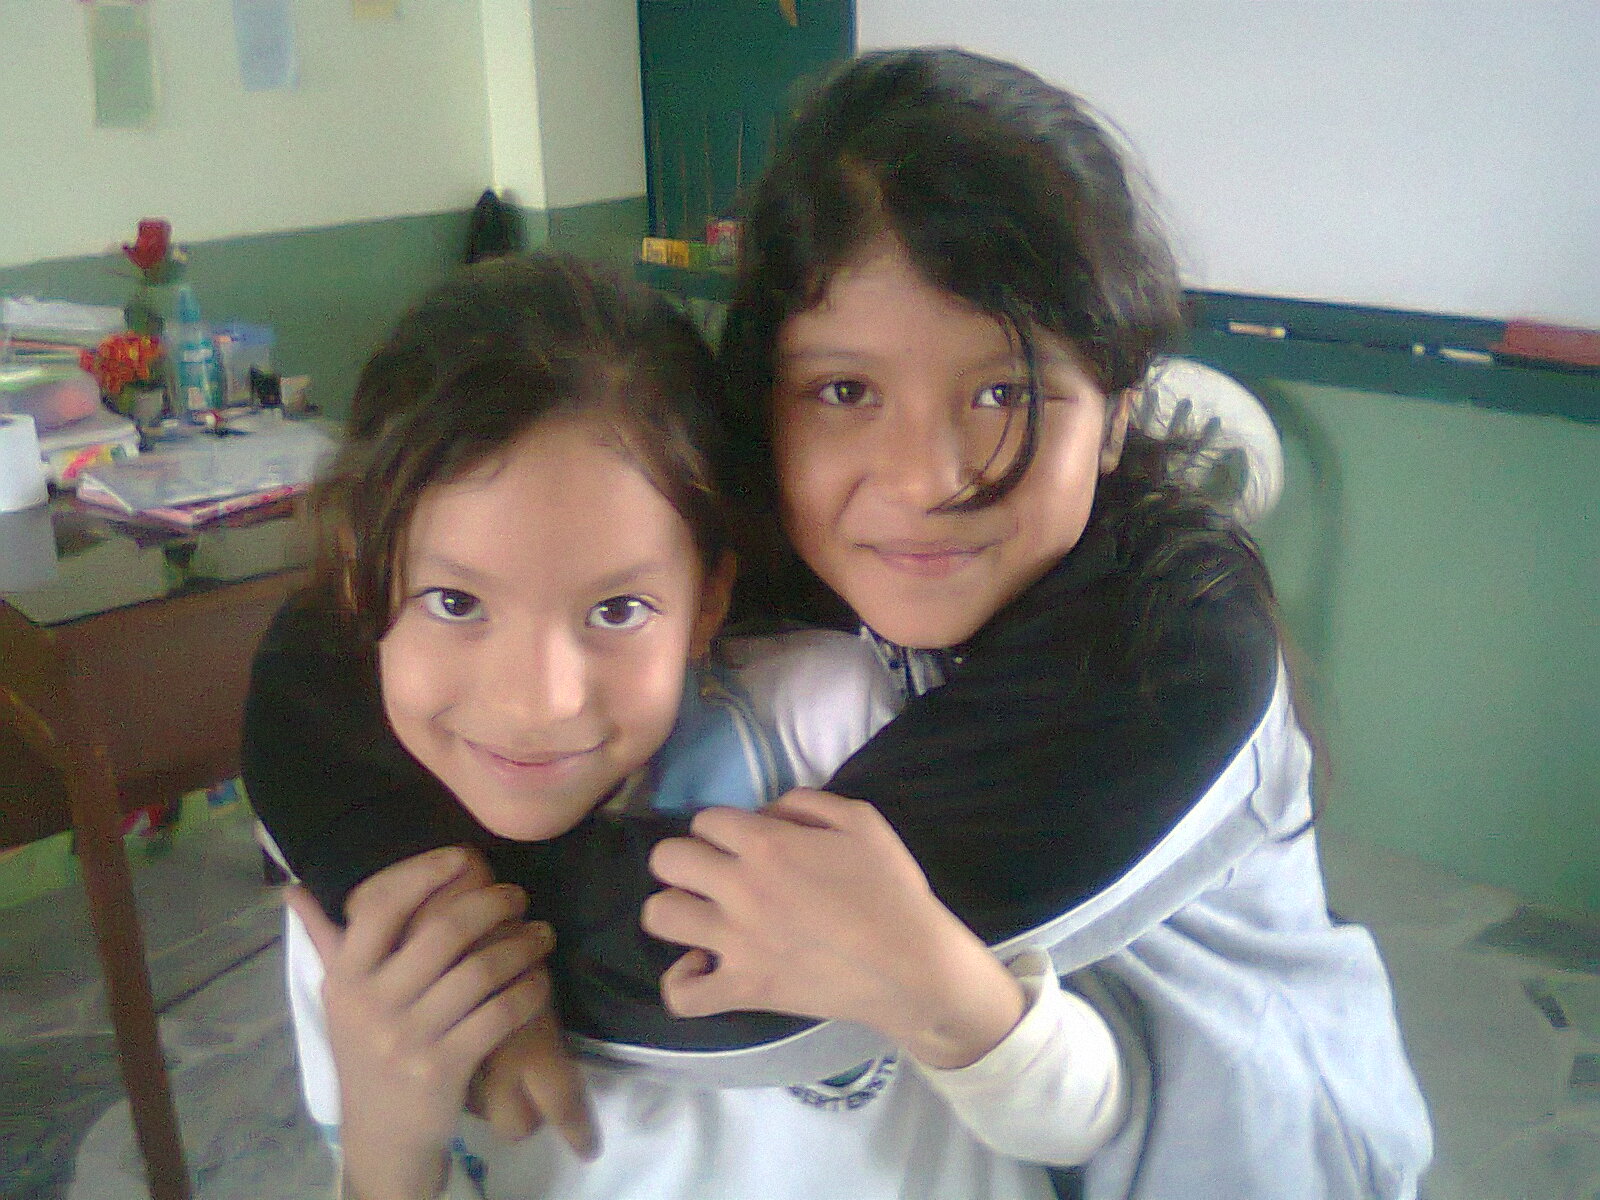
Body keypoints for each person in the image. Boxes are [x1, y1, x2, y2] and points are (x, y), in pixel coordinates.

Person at [248, 49, 1434, 1199]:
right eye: (845, 390)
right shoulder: (780, 591)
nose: (924, 480)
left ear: (1116, 414)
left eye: (1005, 392)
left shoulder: (1168, 647)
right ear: (759, 404)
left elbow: (785, 978)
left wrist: (466, 945)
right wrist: (406, 919)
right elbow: (321, 671)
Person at [267, 250, 1133, 1200]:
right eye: (454, 602)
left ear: (708, 598)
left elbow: (1084, 1120)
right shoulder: (373, 912)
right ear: (359, 573)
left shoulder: (840, 730)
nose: (537, 702)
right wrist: (388, 1152)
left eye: (617, 611)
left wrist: (938, 986)